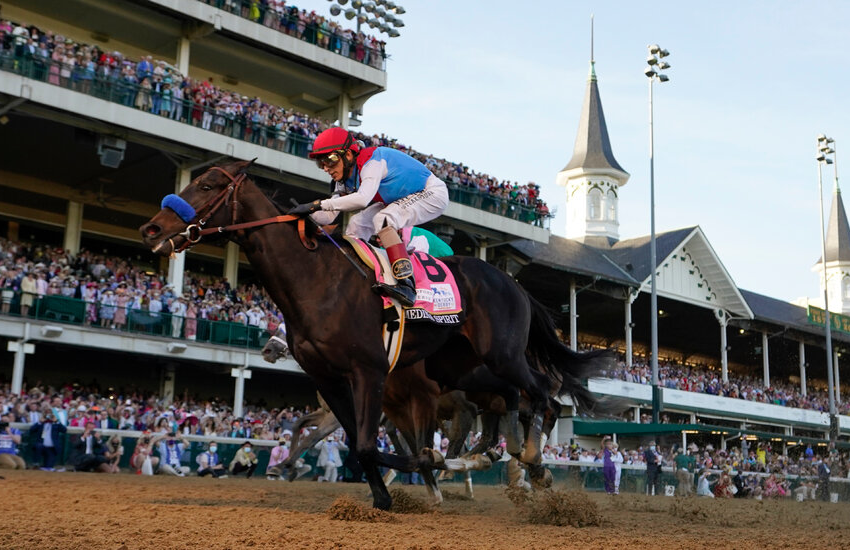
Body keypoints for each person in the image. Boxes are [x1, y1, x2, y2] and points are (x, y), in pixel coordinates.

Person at [295, 127, 449, 306]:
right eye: (321, 163)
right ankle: (356, 275)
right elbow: (329, 216)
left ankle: (406, 284)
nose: (326, 168)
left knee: (383, 219)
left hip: (431, 192)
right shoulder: (343, 179)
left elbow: (362, 199)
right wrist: (303, 214)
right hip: (398, 199)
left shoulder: (372, 162)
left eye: (330, 159)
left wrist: (318, 204)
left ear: (349, 155)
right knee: (356, 223)